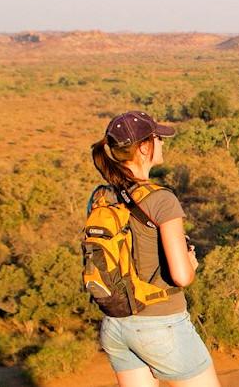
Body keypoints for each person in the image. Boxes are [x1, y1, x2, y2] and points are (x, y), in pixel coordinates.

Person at [88, 111, 220, 387]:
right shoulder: (161, 199)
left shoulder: (101, 197)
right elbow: (182, 276)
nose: (162, 142)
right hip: (162, 324)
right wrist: (191, 263)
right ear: (144, 148)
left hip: (116, 325)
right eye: (158, 138)